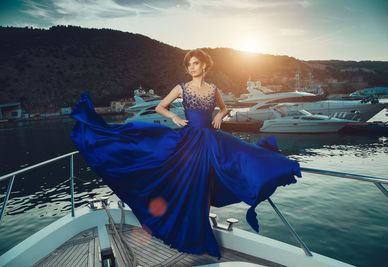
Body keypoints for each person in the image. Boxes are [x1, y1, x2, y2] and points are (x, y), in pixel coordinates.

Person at [70, 48, 301, 259]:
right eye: (189, 64)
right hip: (189, 141)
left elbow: (224, 107)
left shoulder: (214, 89)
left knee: (247, 158)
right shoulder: (181, 88)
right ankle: (193, 235)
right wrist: (175, 118)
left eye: (195, 63)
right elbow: (160, 107)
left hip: (211, 139)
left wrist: (221, 115)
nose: (191, 67)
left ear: (204, 66)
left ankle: (201, 232)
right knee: (191, 185)